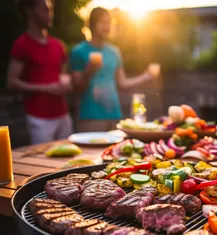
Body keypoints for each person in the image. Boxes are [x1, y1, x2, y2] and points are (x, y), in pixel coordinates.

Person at [70, 7, 158, 132]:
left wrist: (146, 76)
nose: (108, 27)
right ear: (92, 24)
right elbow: (77, 87)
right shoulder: (79, 52)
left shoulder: (114, 52)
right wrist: (89, 71)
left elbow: (122, 83)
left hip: (115, 116)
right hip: (90, 117)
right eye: (103, 22)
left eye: (110, 23)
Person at [7, 0, 73, 145]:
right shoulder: (22, 44)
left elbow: (64, 75)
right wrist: (47, 88)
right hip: (39, 118)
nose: (50, 14)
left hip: (63, 115)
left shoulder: (58, 45)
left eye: (51, 10)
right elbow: (12, 82)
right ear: (29, 11)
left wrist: (66, 83)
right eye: (45, 10)